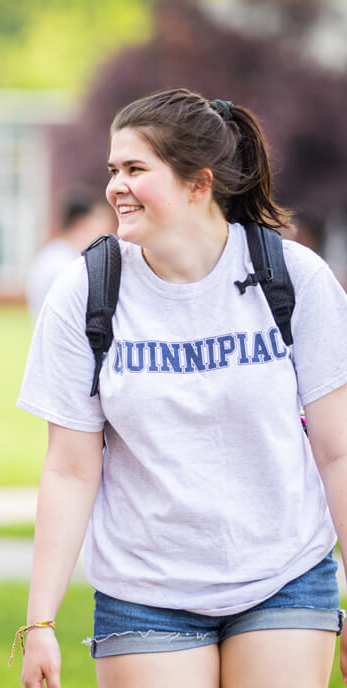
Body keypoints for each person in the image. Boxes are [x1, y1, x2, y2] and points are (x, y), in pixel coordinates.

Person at [18, 88, 347, 688]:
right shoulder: (85, 291)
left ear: (199, 184)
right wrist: (39, 621)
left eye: (135, 169)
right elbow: (69, 469)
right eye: (113, 170)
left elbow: (337, 453)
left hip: (285, 576)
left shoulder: (295, 278)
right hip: (146, 593)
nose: (116, 187)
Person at [25, 197, 116, 321]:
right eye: (103, 227)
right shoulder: (64, 263)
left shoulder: (53, 254)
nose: (109, 236)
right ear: (81, 223)